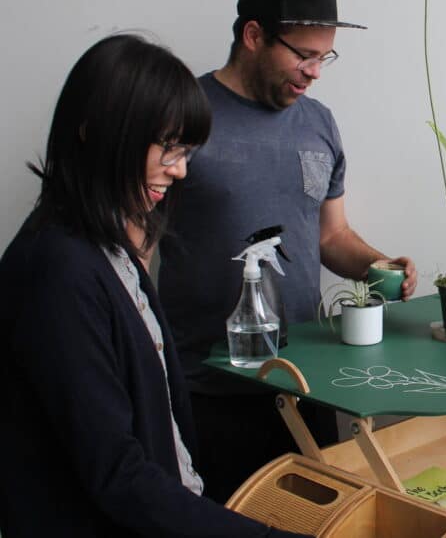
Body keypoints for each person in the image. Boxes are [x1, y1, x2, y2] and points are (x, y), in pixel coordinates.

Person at [0, 34, 310, 537]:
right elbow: (117, 473)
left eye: (185, 151)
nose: (180, 169)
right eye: (168, 148)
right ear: (95, 132)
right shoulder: (57, 271)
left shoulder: (108, 249)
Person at [158, 0, 419, 503]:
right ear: (253, 36)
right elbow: (135, 244)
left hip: (307, 386)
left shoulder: (319, 122)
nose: (314, 71)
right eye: (302, 55)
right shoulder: (185, 114)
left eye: (323, 57)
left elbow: (331, 236)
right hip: (207, 392)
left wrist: (379, 265)